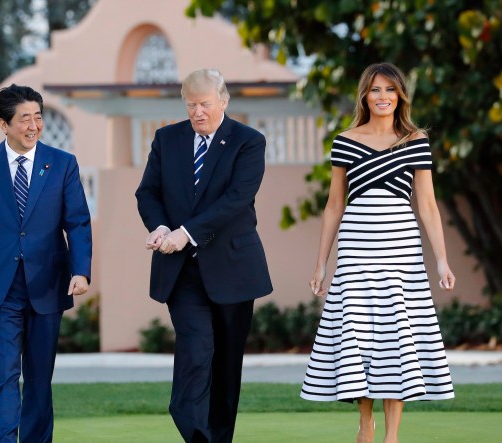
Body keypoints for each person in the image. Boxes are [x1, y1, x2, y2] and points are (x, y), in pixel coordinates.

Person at [301, 62, 456, 443]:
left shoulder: (416, 140)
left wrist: (441, 259)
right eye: (375, 89)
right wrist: (321, 263)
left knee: (397, 336)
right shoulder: (345, 139)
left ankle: (392, 437)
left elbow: (428, 207)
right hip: (356, 250)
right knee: (359, 334)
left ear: (400, 95)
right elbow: (334, 205)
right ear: (364, 96)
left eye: (390, 89)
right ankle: (366, 423)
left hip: (401, 251)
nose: (383, 96)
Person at [135, 69, 273, 443]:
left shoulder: (249, 142)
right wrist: (162, 227)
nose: (197, 112)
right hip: (181, 272)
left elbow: (236, 200)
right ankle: (196, 436)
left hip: (233, 268)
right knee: (196, 353)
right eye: (191, 105)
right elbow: (147, 193)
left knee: (226, 366)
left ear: (223, 102)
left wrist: (186, 233)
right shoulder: (167, 139)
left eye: (205, 104)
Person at [0, 84, 92, 443]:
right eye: (25, 119)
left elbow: (77, 221)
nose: (33, 125)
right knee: (4, 371)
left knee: (38, 376)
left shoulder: (62, 163)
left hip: (48, 283)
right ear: (4, 125)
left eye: (38, 117)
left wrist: (81, 270)